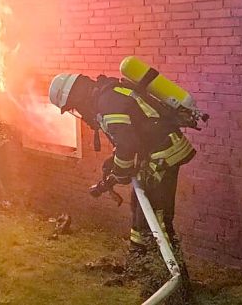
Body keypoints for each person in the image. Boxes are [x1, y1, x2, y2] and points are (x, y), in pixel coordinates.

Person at [48, 71, 196, 278]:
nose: (77, 111)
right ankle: (138, 267)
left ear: (77, 96)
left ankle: (176, 279)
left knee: (156, 219)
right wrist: (115, 163)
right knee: (139, 210)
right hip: (155, 154)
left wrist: (119, 172)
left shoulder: (106, 104)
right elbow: (133, 133)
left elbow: (128, 145)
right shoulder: (109, 94)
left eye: (73, 106)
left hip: (163, 156)